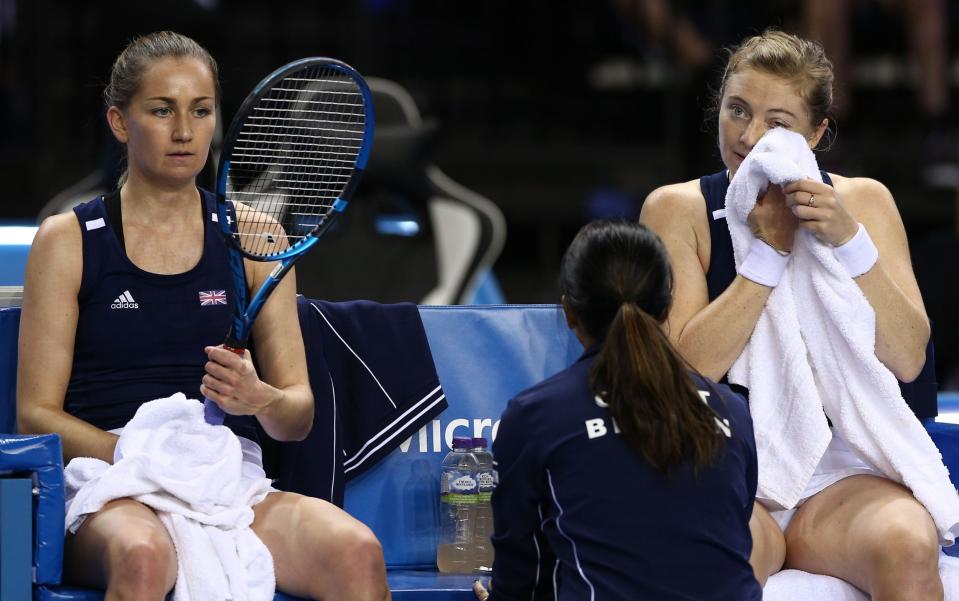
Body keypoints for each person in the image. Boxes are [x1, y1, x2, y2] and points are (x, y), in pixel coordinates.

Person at [16, 31, 390, 601]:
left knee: (355, 550)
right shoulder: (68, 240)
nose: (185, 132)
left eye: (201, 110)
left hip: (222, 477)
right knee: (143, 557)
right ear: (120, 122)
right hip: (110, 477)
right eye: (161, 110)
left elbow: (298, 416)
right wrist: (149, 457)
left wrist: (258, 399)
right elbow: (35, 415)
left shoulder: (256, 237)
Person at [640, 29, 942, 596]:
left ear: (817, 132)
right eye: (737, 111)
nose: (750, 137)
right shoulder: (676, 209)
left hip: (840, 475)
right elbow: (685, 370)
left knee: (908, 546)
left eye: (777, 122)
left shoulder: (866, 203)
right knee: (716, 554)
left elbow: (907, 358)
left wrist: (849, 243)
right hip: (726, 467)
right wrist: (770, 254)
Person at [474, 220, 762, 601]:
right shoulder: (731, 412)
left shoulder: (535, 417)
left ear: (569, 311)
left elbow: (520, 576)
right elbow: (725, 545)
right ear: (667, 306)